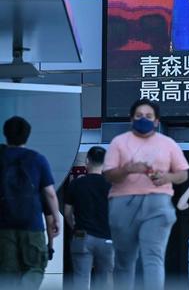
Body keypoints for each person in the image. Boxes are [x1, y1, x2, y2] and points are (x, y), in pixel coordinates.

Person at [103, 99, 189, 290]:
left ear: (157, 121)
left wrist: (166, 177)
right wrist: (128, 169)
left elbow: (183, 174)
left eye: (149, 116)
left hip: (157, 202)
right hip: (123, 201)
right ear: (131, 119)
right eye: (139, 116)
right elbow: (109, 175)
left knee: (153, 256)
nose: (144, 119)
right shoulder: (119, 142)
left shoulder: (168, 143)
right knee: (124, 259)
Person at [0, 116, 60, 289]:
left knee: (6, 274)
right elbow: (50, 193)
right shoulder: (37, 159)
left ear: (5, 134)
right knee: (34, 268)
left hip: (3, 227)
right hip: (31, 225)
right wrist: (56, 217)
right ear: (28, 135)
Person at [64, 146, 114, 290]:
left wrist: (75, 228)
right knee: (105, 280)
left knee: (80, 278)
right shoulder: (111, 186)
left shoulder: (76, 184)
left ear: (87, 161)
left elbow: (67, 212)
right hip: (106, 237)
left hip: (81, 235)